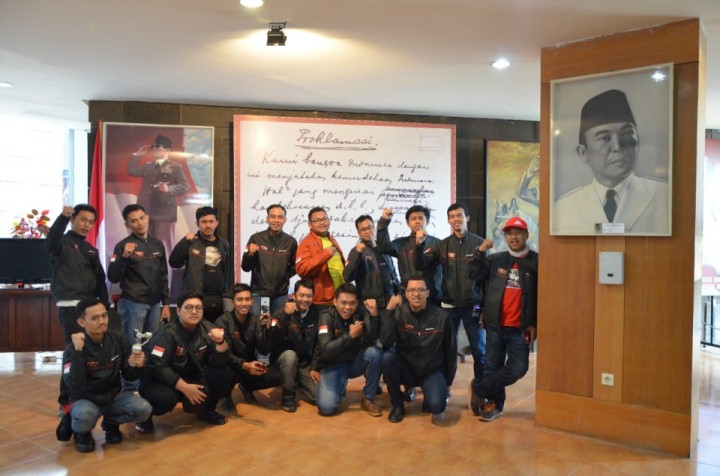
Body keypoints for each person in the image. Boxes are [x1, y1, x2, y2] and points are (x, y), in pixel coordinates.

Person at [553, 89, 670, 234]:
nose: (617, 147)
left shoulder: (664, 196)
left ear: (638, 140)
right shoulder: (565, 207)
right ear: (583, 153)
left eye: (626, 134)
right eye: (605, 138)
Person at [468, 216, 538, 422]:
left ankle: (479, 387)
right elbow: (474, 274)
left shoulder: (537, 262)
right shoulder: (495, 260)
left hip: (520, 328)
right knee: (492, 367)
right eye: (509, 234)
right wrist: (480, 252)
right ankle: (494, 404)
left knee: (518, 369)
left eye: (518, 233)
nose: (513, 237)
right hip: (495, 326)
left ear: (526, 235)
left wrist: (535, 323)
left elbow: (542, 296)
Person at [60, 299, 152, 453]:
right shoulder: (73, 349)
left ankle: (110, 423)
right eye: (95, 318)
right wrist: (78, 352)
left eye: (104, 316)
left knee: (143, 409)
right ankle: (82, 433)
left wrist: (137, 365)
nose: (102, 321)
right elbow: (75, 389)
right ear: (81, 322)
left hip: (112, 396)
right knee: (85, 415)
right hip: (85, 399)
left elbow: (129, 376)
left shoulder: (117, 339)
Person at [137, 291, 234, 431]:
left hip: (191, 376)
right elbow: (157, 366)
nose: (194, 312)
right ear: (178, 311)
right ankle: (145, 417)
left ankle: (207, 410)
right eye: (188, 308)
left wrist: (220, 343)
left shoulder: (208, 328)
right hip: (162, 381)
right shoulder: (166, 333)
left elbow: (218, 361)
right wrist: (185, 388)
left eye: (198, 308)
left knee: (225, 374)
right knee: (164, 398)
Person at [415, 202, 485, 383]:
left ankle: (481, 388)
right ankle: (445, 387)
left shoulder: (479, 243)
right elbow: (421, 264)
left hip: (474, 306)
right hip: (449, 305)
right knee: (447, 349)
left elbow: (486, 278)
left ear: (467, 217)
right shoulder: (442, 245)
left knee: (479, 349)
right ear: (448, 221)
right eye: (452, 217)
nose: (456, 219)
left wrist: (483, 307)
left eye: (459, 215)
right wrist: (419, 246)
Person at [107, 204, 170, 390]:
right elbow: (113, 277)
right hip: (133, 304)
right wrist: (125, 256)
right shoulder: (122, 246)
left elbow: (163, 276)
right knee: (133, 347)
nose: (140, 223)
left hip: (155, 304)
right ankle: (130, 387)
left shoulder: (158, 244)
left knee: (151, 346)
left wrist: (166, 303)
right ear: (127, 225)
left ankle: (147, 385)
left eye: (142, 218)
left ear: (147, 218)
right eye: (134, 221)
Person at [380, 275, 457, 424]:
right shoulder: (399, 313)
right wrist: (388, 311)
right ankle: (398, 406)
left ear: (427, 293)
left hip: (431, 372)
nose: (416, 294)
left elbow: (451, 351)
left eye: (421, 290)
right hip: (407, 370)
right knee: (387, 358)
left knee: (436, 407)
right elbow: (385, 340)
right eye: (412, 290)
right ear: (406, 293)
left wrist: (448, 383)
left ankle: (430, 397)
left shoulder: (442, 317)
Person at [214, 283, 290, 410]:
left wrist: (267, 329)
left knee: (277, 376)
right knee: (223, 372)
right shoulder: (223, 321)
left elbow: (263, 351)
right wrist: (244, 365)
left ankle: (246, 387)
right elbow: (225, 355)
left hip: (249, 365)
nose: (244, 303)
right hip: (229, 365)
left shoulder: (256, 320)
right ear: (233, 302)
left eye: (247, 299)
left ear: (252, 301)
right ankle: (226, 396)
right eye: (240, 299)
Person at [315, 283, 383, 417]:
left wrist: (374, 315)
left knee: (375, 353)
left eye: (352, 303)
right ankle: (340, 386)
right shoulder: (326, 317)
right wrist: (350, 336)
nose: (347, 307)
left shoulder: (361, 312)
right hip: (332, 366)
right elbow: (325, 351)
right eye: (343, 303)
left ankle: (368, 398)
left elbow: (372, 337)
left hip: (353, 363)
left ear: (357, 303)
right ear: (335, 301)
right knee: (326, 408)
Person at [46, 204, 109, 345]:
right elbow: (51, 242)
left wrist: (104, 304)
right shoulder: (61, 243)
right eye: (83, 220)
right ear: (72, 219)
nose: (87, 225)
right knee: (75, 346)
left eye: (91, 222)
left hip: (90, 305)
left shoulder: (90, 249)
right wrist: (63, 217)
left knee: (93, 346)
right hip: (69, 304)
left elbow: (100, 278)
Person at [127, 134, 190, 255]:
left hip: (164, 213)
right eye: (154, 147)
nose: (155, 149)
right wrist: (137, 155)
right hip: (146, 211)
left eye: (158, 147)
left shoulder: (175, 166)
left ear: (167, 150)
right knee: (145, 245)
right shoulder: (148, 165)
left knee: (163, 246)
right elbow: (132, 171)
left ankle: (165, 268)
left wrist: (169, 188)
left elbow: (185, 185)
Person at [169, 206, 231, 321]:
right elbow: (174, 263)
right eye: (204, 222)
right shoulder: (191, 242)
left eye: (211, 221)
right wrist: (185, 241)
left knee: (217, 331)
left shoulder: (224, 244)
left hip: (219, 299)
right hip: (196, 299)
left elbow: (228, 271)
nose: (208, 225)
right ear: (197, 224)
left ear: (217, 223)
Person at [269, 279, 321, 409]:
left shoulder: (317, 314)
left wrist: (314, 367)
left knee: (320, 397)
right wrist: (286, 316)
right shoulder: (281, 312)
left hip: (304, 364)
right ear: (293, 295)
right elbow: (273, 340)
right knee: (290, 356)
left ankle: (296, 382)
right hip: (283, 361)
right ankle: (288, 394)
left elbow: (318, 343)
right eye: (301, 295)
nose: (305, 299)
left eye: (309, 296)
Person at [376, 205, 442, 305]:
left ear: (427, 221)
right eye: (413, 219)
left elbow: (422, 265)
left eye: (421, 218)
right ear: (408, 223)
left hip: (432, 298)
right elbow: (383, 247)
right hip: (407, 298)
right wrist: (384, 222)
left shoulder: (438, 244)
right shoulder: (401, 243)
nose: (417, 221)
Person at [241, 204, 298, 316]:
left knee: (278, 324)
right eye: (272, 217)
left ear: (285, 220)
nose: (276, 220)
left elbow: (295, 267)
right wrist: (250, 254)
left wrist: (284, 276)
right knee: (262, 323)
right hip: (260, 295)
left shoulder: (290, 241)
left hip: (280, 296)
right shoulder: (256, 238)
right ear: (267, 219)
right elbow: (245, 267)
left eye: (280, 217)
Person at [343, 214, 401, 310]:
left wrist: (399, 292)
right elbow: (347, 277)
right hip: (372, 304)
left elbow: (393, 272)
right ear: (359, 233)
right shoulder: (356, 251)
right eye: (363, 229)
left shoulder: (383, 247)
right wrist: (357, 253)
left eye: (369, 227)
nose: (367, 231)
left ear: (374, 228)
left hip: (392, 300)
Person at [296, 207, 345, 309]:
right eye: (317, 220)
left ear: (329, 221)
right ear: (310, 225)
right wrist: (325, 254)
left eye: (324, 219)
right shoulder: (306, 243)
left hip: (339, 298)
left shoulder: (331, 239)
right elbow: (301, 269)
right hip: (321, 302)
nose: (322, 223)